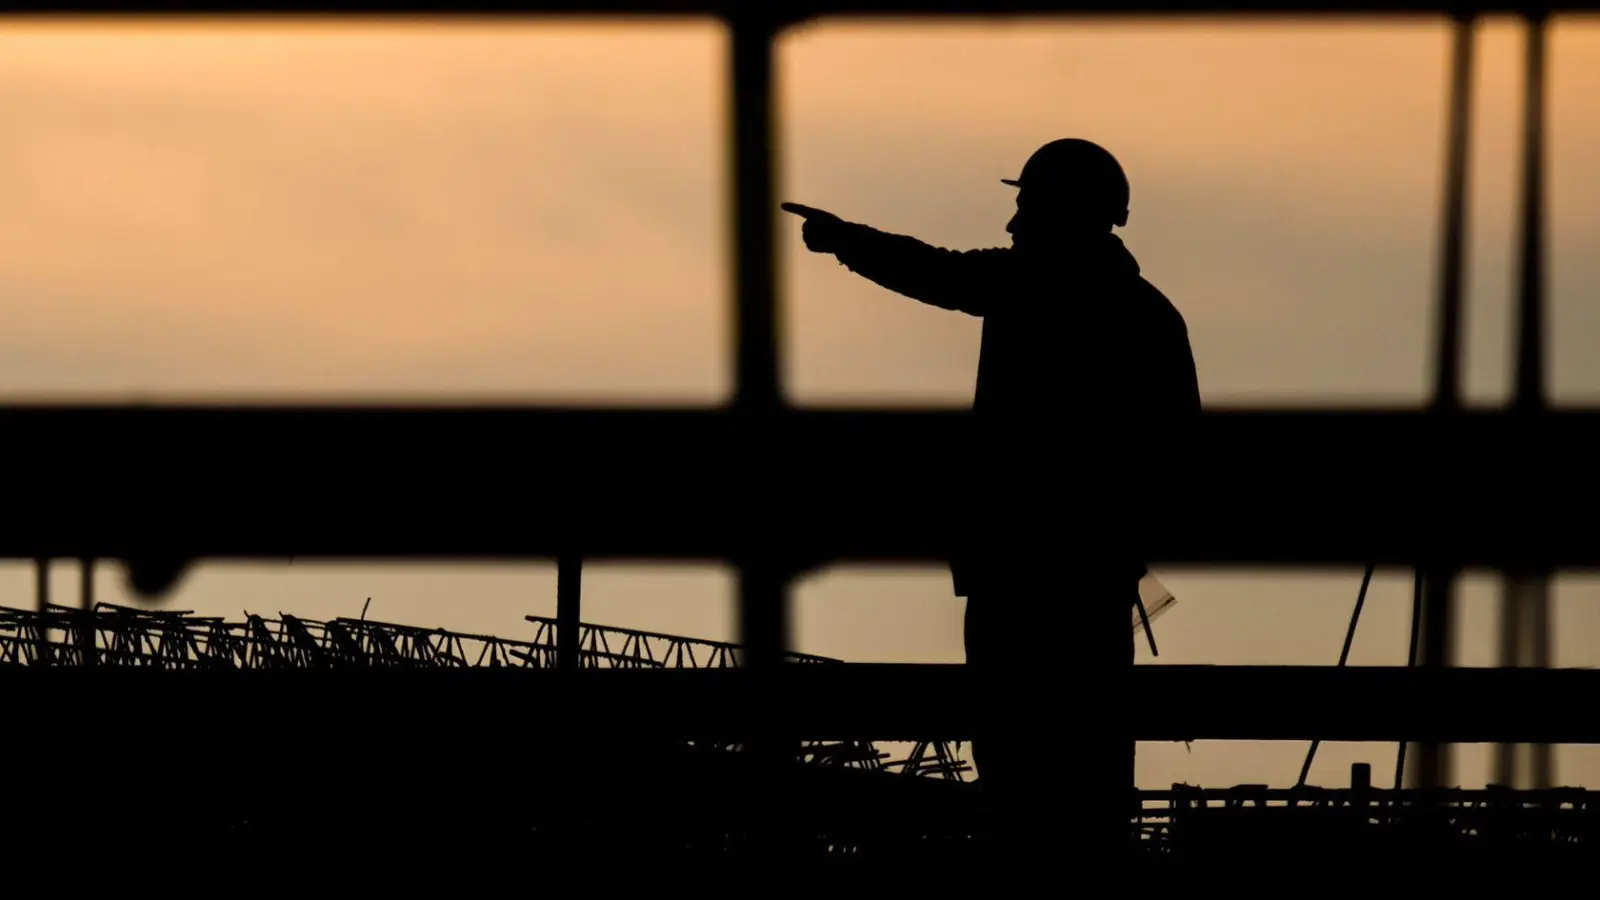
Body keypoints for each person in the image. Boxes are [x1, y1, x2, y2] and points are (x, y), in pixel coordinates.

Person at [782, 138, 1201, 870]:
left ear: (1061, 212)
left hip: (1022, 573)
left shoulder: (1028, 287)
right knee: (1089, 759)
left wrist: (843, 241)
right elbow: (1181, 452)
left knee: (1014, 760)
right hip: (1094, 578)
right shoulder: (1149, 316)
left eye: (1027, 204)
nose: (1012, 223)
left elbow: (935, 272)